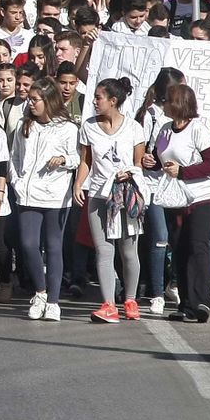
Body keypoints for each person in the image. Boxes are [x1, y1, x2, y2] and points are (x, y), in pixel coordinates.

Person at [143, 83, 210, 323]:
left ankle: (202, 301)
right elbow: (161, 158)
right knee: (179, 248)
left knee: (198, 247)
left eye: (166, 100)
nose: (163, 104)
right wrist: (151, 162)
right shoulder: (165, 129)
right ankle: (185, 303)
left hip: (200, 197)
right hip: (175, 197)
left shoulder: (197, 129)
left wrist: (183, 172)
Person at [74, 76, 146, 323]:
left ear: (113, 101)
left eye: (98, 97)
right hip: (98, 193)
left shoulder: (134, 128)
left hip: (126, 194)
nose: (94, 102)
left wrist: (131, 172)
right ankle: (108, 304)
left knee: (128, 250)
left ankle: (130, 299)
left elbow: (139, 163)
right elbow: (86, 160)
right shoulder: (88, 126)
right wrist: (78, 183)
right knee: (104, 250)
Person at [9, 77, 77, 322]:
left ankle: (53, 301)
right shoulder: (24, 125)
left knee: (54, 247)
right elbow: (15, 157)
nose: (31, 104)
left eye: (35, 100)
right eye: (29, 99)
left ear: (48, 101)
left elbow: (77, 158)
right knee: (28, 244)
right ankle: (40, 292)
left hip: (55, 195)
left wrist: (63, 159)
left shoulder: (67, 127)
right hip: (27, 194)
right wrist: (16, 181)